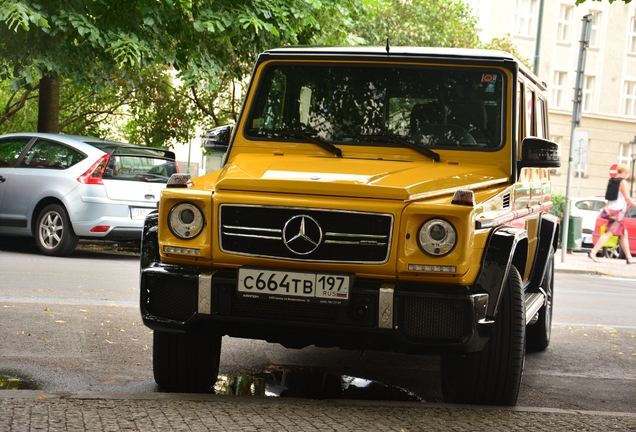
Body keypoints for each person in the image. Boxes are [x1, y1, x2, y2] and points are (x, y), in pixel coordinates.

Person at [588, 164, 636, 264]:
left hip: (612, 211)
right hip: (618, 213)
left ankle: (629, 257)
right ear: (626, 173)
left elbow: (609, 197)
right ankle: (593, 252)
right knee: (609, 233)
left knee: (623, 234)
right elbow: (627, 198)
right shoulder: (622, 182)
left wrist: (607, 209)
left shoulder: (611, 181)